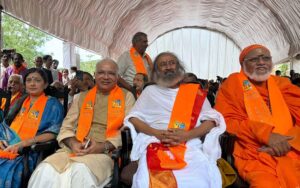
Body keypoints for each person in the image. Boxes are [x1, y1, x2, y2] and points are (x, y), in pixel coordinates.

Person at [124, 52, 225, 188]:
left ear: (179, 67)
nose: (168, 67)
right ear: (156, 71)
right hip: (156, 143)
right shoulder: (150, 91)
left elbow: (212, 120)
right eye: (163, 64)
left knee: (199, 180)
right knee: (149, 181)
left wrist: (188, 135)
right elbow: (134, 118)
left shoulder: (194, 92)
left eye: (172, 63)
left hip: (189, 144)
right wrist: (156, 133)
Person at [29, 59, 135, 188]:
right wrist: (73, 143)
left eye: (111, 73)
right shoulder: (80, 97)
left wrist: (103, 146)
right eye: (101, 72)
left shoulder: (127, 96)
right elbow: (66, 127)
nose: (106, 77)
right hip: (73, 149)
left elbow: (129, 129)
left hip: (105, 153)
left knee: (78, 171)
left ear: (117, 77)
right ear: (95, 75)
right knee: (45, 170)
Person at [215, 44, 300, 187]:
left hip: (292, 148)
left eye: (266, 58)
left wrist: (288, 143)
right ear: (243, 64)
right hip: (254, 152)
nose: (261, 62)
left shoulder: (282, 83)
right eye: (254, 59)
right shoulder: (233, 84)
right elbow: (227, 121)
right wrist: (266, 136)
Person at [0, 68, 64, 188]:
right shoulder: (21, 101)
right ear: (25, 85)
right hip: (6, 146)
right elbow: (5, 126)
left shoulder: (53, 104)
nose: (32, 83)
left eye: (37, 80)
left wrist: (23, 144)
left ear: (45, 84)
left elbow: (54, 132)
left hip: (29, 152)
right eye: (29, 80)